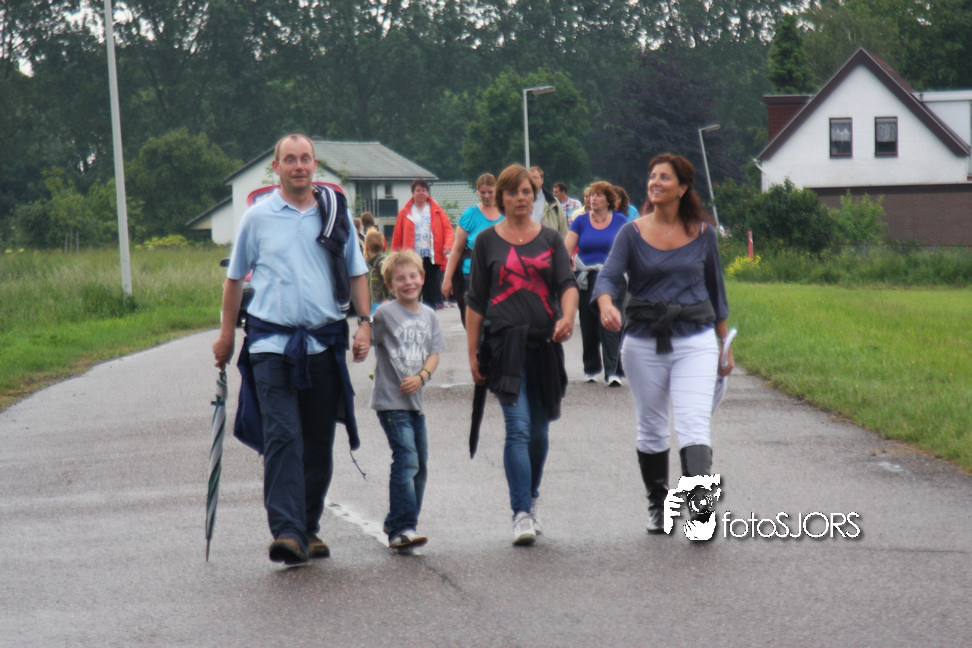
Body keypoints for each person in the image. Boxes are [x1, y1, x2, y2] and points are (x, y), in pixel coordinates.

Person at [213, 133, 372, 565]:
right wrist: (227, 336)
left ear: (315, 164)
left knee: (318, 441)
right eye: (290, 159)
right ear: (277, 168)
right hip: (270, 346)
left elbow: (357, 273)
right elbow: (234, 280)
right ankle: (286, 531)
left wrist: (365, 324)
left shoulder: (336, 215)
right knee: (283, 435)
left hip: (323, 344)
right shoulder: (257, 218)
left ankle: (307, 527)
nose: (298, 166)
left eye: (305, 159)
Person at [593, 153, 733, 535]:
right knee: (652, 427)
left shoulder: (703, 233)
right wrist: (605, 305)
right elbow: (608, 277)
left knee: (693, 425)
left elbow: (717, 291)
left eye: (665, 177)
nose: (655, 182)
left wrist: (725, 343)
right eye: (652, 176)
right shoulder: (631, 233)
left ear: (683, 188)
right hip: (643, 342)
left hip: (696, 339)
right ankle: (658, 504)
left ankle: (700, 515)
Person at [465, 164, 578, 546]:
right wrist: (472, 354)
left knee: (539, 433)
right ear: (501, 197)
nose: (520, 198)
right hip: (504, 348)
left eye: (526, 191)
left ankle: (531, 496)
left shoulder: (550, 239)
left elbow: (567, 284)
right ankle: (520, 513)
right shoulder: (486, 241)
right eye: (512, 192)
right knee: (518, 427)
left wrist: (568, 317)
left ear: (535, 195)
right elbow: (475, 302)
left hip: (544, 346)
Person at [370, 250, 446, 550]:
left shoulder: (429, 315)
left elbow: (434, 353)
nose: (408, 282)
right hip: (390, 401)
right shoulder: (384, 314)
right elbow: (367, 338)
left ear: (423, 278)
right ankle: (402, 528)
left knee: (420, 465)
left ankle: (396, 520)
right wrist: (360, 346)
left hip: (416, 403)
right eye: (400, 278)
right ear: (390, 285)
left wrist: (423, 376)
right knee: (407, 459)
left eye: (413, 276)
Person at [564, 181, 628, 386]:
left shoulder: (620, 220)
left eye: (599, 195)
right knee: (589, 325)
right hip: (586, 277)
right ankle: (591, 368)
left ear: (609, 200)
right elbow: (567, 249)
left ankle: (614, 371)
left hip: (613, 278)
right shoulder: (580, 221)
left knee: (612, 322)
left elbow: (630, 248)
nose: (593, 199)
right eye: (591, 195)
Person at [441, 173, 503, 327]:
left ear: (496, 190)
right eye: (483, 192)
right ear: (478, 192)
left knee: (498, 321)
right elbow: (457, 249)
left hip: (499, 274)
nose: (486, 196)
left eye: (490, 192)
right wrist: (448, 278)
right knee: (475, 322)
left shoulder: (505, 213)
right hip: (471, 273)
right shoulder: (470, 215)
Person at [391, 179, 455, 310]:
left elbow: (448, 229)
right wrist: (394, 257)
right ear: (413, 193)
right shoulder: (404, 213)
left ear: (427, 192)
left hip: (432, 257)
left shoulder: (437, 210)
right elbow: (397, 237)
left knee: (430, 289)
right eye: (418, 190)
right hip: (412, 258)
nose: (421, 193)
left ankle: (429, 315)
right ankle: (412, 313)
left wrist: (448, 244)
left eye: (424, 190)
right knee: (413, 287)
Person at [527, 166, 569, 237]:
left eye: (536, 178)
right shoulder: (521, 204)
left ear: (542, 180)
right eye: (530, 179)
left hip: (550, 243)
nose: (533, 181)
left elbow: (564, 231)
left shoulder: (554, 203)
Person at [365, 229, 390, 314]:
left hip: (382, 307)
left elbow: (392, 283)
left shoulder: (381, 263)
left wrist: (389, 299)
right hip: (373, 307)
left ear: (367, 247)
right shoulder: (372, 264)